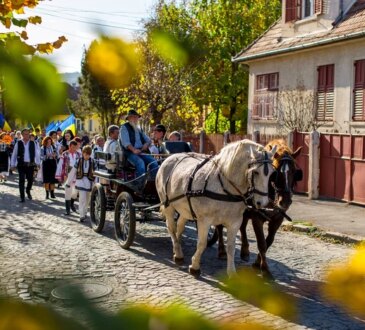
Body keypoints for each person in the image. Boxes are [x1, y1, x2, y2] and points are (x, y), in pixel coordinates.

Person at [119, 109, 159, 189]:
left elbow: (148, 140)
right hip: (129, 153)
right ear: (129, 118)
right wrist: (134, 150)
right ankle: (140, 186)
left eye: (136, 117)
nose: (135, 119)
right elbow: (125, 143)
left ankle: (154, 184)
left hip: (141, 152)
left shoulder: (138, 129)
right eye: (133, 117)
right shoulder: (124, 128)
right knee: (140, 163)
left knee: (154, 163)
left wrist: (146, 145)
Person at [65, 145, 96, 222]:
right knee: (82, 199)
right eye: (85, 154)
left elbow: (95, 174)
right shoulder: (78, 161)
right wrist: (68, 182)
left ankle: (84, 211)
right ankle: (81, 215)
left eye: (88, 154)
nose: (87, 156)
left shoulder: (92, 161)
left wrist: (95, 184)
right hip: (80, 181)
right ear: (83, 153)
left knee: (87, 199)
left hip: (89, 182)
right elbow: (73, 172)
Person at [10, 128, 40, 202]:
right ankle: (22, 197)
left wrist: (38, 163)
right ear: (22, 135)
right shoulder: (18, 143)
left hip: (30, 165)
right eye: (25, 134)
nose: (26, 135)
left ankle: (28, 190)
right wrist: (12, 164)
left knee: (30, 180)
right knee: (21, 180)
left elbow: (37, 154)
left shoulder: (33, 143)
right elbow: (14, 154)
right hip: (21, 165)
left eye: (28, 134)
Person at [56, 140, 82, 215]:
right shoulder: (65, 154)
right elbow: (60, 165)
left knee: (75, 192)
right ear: (70, 146)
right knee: (68, 192)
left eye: (75, 147)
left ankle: (72, 204)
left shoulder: (79, 154)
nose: (74, 149)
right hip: (67, 175)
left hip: (76, 175)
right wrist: (59, 175)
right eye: (73, 147)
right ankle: (67, 210)